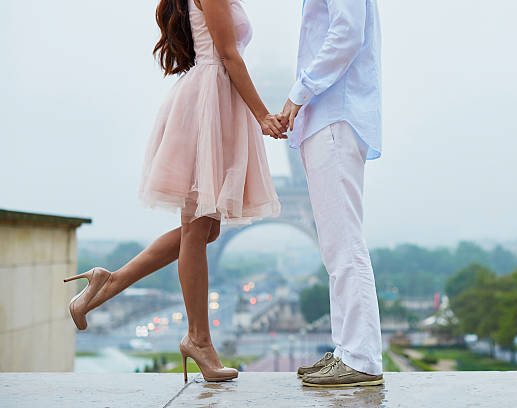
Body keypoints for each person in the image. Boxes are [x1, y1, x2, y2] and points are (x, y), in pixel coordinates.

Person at [63, 0, 284, 383]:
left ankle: (110, 282)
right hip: (208, 106)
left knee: (204, 229)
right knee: (198, 230)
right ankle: (198, 338)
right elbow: (229, 55)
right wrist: (262, 114)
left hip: (216, 104)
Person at [279, 0, 384, 387]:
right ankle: (348, 351)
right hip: (327, 116)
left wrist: (298, 92)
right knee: (336, 247)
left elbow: (346, 33)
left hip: (333, 115)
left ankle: (362, 358)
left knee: (344, 244)